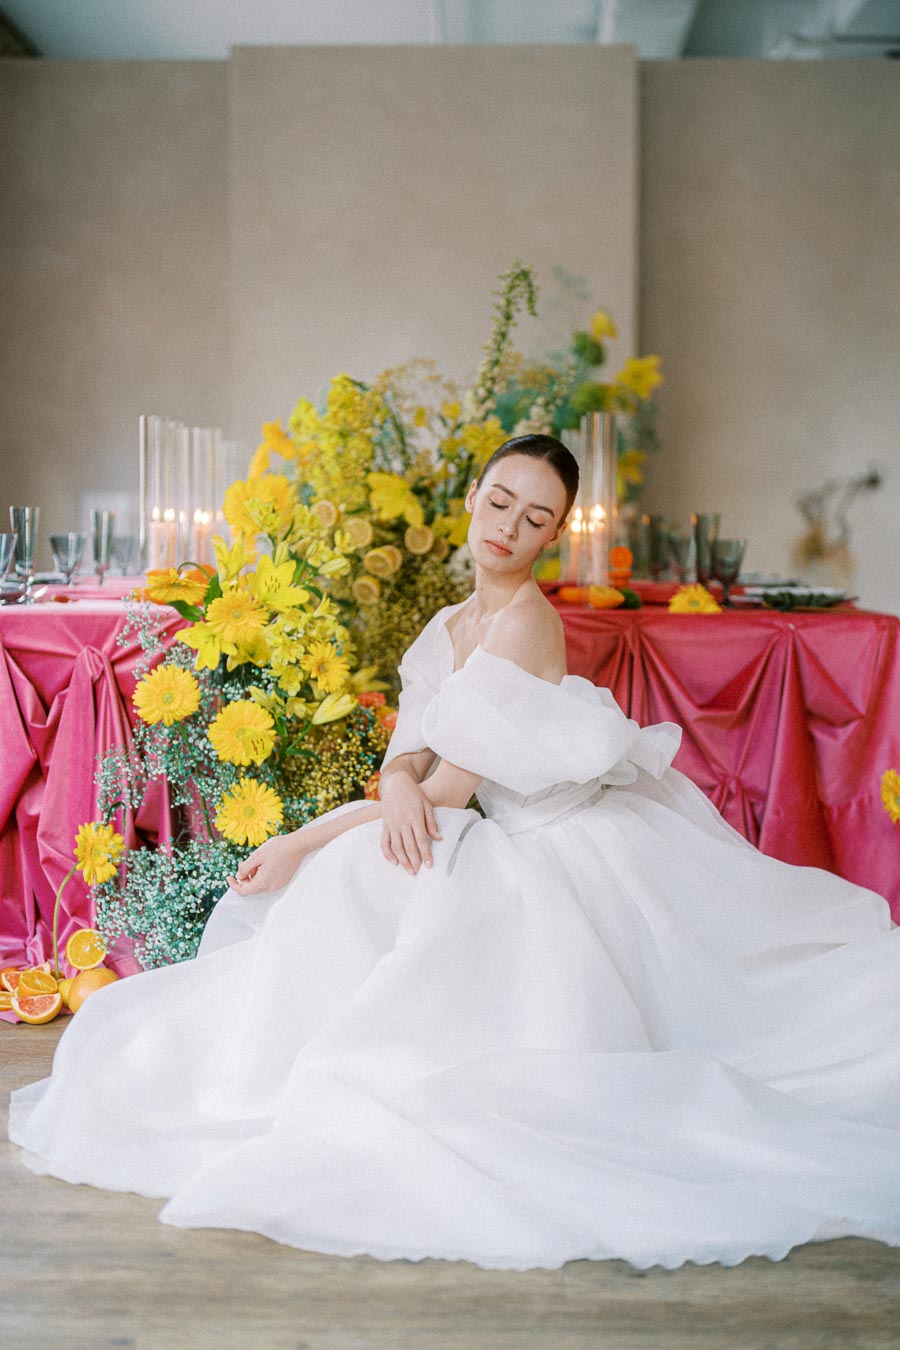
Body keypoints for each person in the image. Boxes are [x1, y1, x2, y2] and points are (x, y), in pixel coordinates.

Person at [8, 435, 900, 1274]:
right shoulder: (448, 622)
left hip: (548, 838)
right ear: (472, 500)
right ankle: (252, 1070)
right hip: (476, 816)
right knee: (365, 871)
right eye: (500, 503)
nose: (508, 531)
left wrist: (302, 837)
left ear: (555, 536)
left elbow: (446, 791)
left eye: (535, 520)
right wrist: (390, 785)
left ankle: (339, 1069)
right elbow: (408, 754)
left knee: (362, 869)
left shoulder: (524, 627)